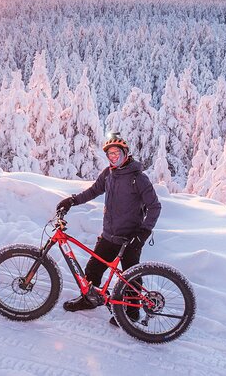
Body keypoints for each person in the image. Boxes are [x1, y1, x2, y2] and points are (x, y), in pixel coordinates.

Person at [56, 132, 161, 327]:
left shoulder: (138, 178)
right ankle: (89, 299)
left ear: (126, 153)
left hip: (130, 238)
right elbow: (93, 191)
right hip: (109, 235)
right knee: (93, 269)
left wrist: (143, 233)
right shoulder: (108, 174)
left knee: (130, 278)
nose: (113, 157)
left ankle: (132, 313)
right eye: (110, 154)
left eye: (117, 153)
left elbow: (155, 207)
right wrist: (72, 201)